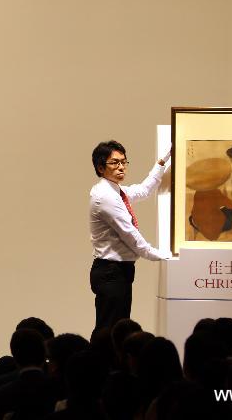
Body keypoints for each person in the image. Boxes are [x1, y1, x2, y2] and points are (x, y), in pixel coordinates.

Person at [89, 140, 171, 332]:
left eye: (124, 162)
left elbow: (143, 190)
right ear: (101, 168)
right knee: (108, 330)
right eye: (114, 163)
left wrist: (161, 162)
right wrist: (157, 254)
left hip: (118, 271)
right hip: (111, 272)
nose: (121, 167)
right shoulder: (105, 196)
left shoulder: (116, 191)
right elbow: (130, 234)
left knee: (116, 328)